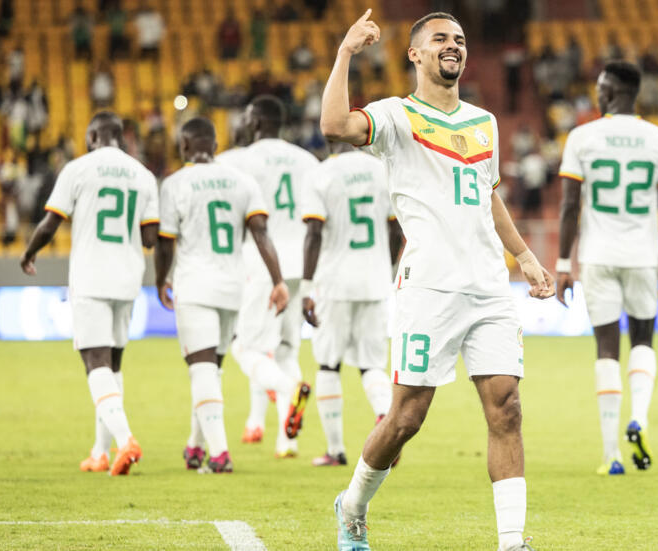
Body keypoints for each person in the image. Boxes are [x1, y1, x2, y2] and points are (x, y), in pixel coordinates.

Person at [320, 10, 553, 551]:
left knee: (507, 407)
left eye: (461, 40)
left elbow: (487, 194)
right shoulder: (396, 117)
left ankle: (512, 542)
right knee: (407, 416)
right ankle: (352, 504)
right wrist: (345, 53)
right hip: (428, 286)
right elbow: (334, 126)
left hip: (490, 288)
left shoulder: (484, 122)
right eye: (441, 39)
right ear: (416, 54)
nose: (454, 46)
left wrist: (523, 255)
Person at [555, 61, 658, 476]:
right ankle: (639, 419)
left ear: (611, 92)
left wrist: (562, 263)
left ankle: (610, 454)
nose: (595, 93)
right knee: (643, 339)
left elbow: (570, 205)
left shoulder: (582, 137)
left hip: (597, 257)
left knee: (606, 347)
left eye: (599, 87)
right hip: (643, 256)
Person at [19, 112, 159, 476]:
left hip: (92, 277)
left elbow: (52, 221)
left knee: (94, 363)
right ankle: (100, 452)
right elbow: (149, 238)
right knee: (113, 364)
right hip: (128, 279)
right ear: (123, 138)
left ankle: (126, 440)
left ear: (94, 135)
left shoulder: (78, 169)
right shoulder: (143, 174)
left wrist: (29, 251)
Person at [154, 117, 289, 473]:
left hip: (195, 286)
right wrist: (278, 281)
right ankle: (195, 446)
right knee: (210, 370)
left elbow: (164, 244)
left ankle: (220, 453)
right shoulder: (242, 181)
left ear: (183, 146)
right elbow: (261, 234)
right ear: (215, 146)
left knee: (201, 370)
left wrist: (159, 280)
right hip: (233, 288)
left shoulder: (175, 184)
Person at [219, 95, 316, 458]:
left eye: (245, 117)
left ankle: (288, 391)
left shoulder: (236, 160)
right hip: (301, 263)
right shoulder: (308, 161)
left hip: (262, 263)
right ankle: (286, 440)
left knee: (247, 348)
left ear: (256, 121)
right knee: (287, 349)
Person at [300, 142, 403, 467]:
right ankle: (389, 426)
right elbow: (396, 229)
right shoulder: (382, 170)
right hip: (374, 282)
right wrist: (383, 269)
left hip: (335, 282)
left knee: (329, 363)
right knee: (372, 364)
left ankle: (335, 450)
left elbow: (314, 233)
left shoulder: (321, 174)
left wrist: (306, 287)